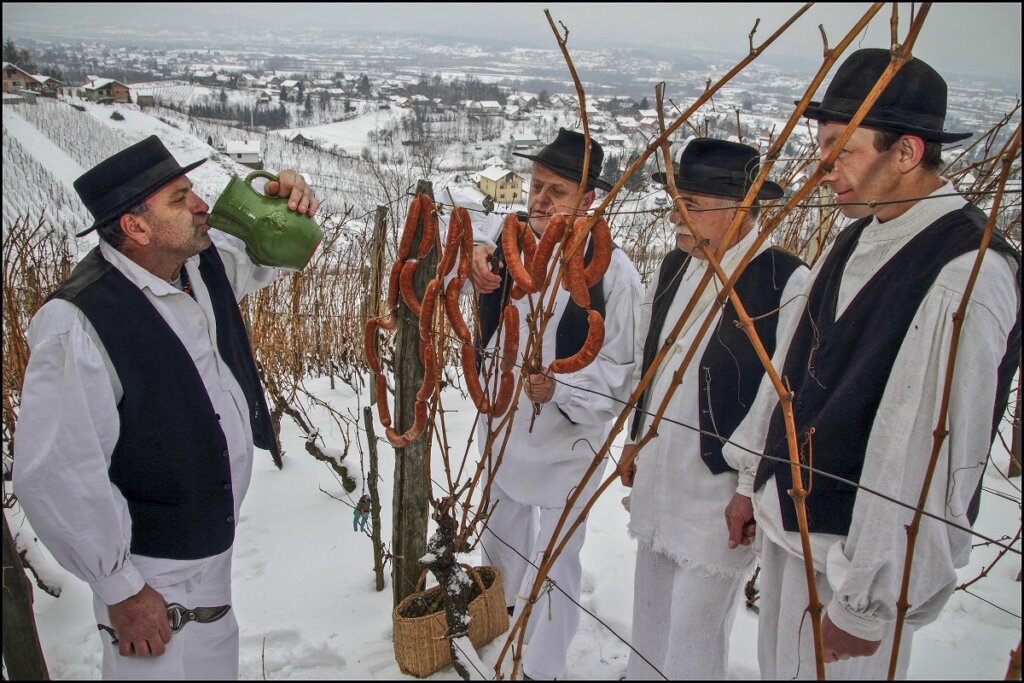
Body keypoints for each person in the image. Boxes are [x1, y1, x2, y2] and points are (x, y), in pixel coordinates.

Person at [721, 49, 1021, 679]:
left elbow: (923, 452)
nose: (824, 170)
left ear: (907, 153)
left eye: (842, 149)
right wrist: (753, 481)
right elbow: (792, 369)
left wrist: (865, 602)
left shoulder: (963, 276)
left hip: (851, 567)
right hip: (791, 533)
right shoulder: (861, 231)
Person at [13, 135, 319, 680]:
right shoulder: (78, 323)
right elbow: (59, 474)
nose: (201, 204)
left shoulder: (198, 266)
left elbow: (270, 251)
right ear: (136, 227)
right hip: (149, 570)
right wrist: (122, 591)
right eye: (180, 199)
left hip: (210, 548)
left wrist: (284, 197)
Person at [618, 138, 808, 679]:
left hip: (718, 489)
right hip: (661, 470)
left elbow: (779, 398)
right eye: (677, 202)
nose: (678, 217)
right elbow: (649, 362)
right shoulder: (674, 266)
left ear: (742, 210)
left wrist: (747, 489)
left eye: (694, 205)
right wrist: (635, 435)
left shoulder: (784, 280)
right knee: (650, 607)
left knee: (696, 627)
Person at [469, 128, 643, 680]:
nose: (539, 200)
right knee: (499, 536)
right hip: (502, 426)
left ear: (589, 199)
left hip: (566, 442)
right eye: (536, 187)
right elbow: (459, 242)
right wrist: (474, 255)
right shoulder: (509, 241)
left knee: (556, 559)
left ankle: (540, 668)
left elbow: (620, 370)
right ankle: (493, 632)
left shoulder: (616, 275)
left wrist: (562, 388)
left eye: (557, 191)